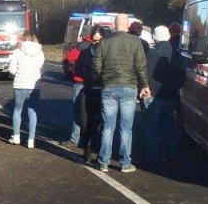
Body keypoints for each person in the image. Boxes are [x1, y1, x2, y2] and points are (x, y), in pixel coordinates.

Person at [94, 13, 150, 172]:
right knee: (126, 128)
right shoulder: (135, 41)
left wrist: (101, 78)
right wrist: (144, 85)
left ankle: (103, 161)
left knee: (108, 127)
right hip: (129, 87)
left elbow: (96, 64)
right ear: (127, 26)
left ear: (114, 25)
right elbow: (141, 66)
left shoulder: (104, 42)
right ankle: (125, 163)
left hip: (109, 86)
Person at [144, 25, 186, 166]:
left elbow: (147, 73)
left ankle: (152, 156)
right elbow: (182, 76)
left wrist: (146, 88)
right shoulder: (176, 54)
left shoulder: (153, 52)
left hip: (154, 95)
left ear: (154, 37)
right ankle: (170, 154)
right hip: (171, 96)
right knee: (169, 127)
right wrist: (175, 89)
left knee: (152, 127)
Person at [73, 26, 108, 162]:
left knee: (102, 125)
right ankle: (86, 150)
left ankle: (99, 152)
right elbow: (77, 70)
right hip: (88, 91)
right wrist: (90, 76)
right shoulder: (85, 53)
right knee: (86, 122)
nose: (96, 43)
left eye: (99, 40)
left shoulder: (107, 54)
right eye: (94, 40)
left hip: (103, 92)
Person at [8, 31, 45, 148]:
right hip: (34, 85)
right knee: (32, 112)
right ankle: (31, 140)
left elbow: (12, 70)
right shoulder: (40, 53)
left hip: (20, 84)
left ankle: (16, 136)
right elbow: (40, 67)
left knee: (18, 110)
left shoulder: (17, 52)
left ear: (23, 39)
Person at [63, 29, 93, 146]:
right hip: (92, 83)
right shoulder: (96, 46)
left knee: (77, 110)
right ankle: (89, 139)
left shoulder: (79, 47)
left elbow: (70, 58)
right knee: (91, 112)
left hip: (79, 81)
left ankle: (74, 138)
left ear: (83, 35)